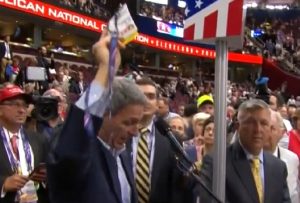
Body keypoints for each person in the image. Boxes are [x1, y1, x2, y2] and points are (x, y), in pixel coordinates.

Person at [47, 29, 146, 203]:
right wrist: (106, 69)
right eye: (129, 122)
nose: (135, 132)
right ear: (104, 113)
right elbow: (73, 149)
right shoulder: (76, 151)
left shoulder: (122, 151)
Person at [199, 99, 291, 203]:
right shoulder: (217, 162)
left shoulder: (278, 167)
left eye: (264, 123)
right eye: (251, 123)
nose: (258, 129)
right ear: (238, 126)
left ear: (270, 128)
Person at [130, 77, 192, 203]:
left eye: (151, 96)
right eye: (140, 95)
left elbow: (175, 189)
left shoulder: (170, 139)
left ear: (157, 103)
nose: (145, 100)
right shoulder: (117, 134)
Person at [0, 84, 48, 203]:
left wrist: (46, 177)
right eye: (15, 104)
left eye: (25, 106)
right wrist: (3, 184)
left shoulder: (38, 139)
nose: (22, 110)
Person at [264, 110, 300, 203]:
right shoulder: (244, 159)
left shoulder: (292, 159)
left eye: (272, 128)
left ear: (282, 132)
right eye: (264, 127)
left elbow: (294, 195)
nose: (266, 132)